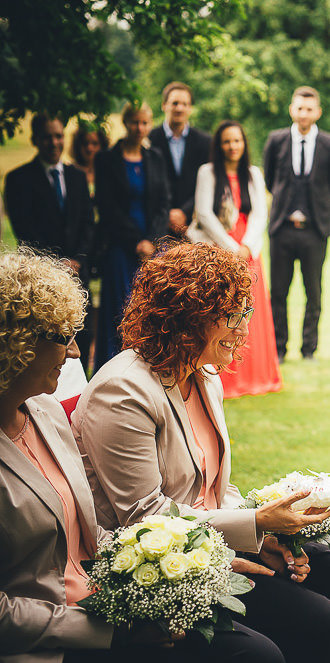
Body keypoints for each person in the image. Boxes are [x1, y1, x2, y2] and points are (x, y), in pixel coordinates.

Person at [73, 243, 330, 663]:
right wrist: (251, 526)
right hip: (164, 561)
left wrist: (261, 537)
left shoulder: (203, 373)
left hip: (218, 536)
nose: (243, 330)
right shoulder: (123, 391)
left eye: (245, 314)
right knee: (319, 622)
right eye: (231, 317)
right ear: (185, 321)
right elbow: (144, 517)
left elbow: (216, 485)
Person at [0, 250, 284, 663]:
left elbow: (92, 531)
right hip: (56, 640)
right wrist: (110, 632)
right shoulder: (122, 390)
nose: (78, 353)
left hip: (117, 596)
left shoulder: (43, 411)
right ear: (15, 344)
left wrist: (200, 564)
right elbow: (137, 514)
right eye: (64, 337)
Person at [190, 120, 282, 398]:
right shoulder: (207, 173)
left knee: (252, 313)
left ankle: (257, 376)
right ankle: (224, 378)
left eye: (237, 141)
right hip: (219, 249)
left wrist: (247, 247)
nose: (233, 147)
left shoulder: (253, 174)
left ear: (245, 144)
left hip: (248, 251)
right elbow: (204, 214)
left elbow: (260, 214)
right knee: (222, 311)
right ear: (219, 145)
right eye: (227, 141)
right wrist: (231, 248)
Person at [5, 113, 97, 372]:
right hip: (43, 277)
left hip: (78, 272)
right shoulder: (18, 179)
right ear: (36, 139)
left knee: (83, 333)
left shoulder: (77, 177)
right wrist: (57, 264)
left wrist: (77, 259)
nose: (54, 142)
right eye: (48, 137)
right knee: (49, 339)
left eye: (58, 136)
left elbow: (88, 224)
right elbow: (25, 230)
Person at [263, 86, 330, 362]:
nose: (304, 113)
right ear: (291, 109)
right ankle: (279, 349)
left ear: (317, 112)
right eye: (299, 108)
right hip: (281, 229)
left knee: (313, 293)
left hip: (315, 230)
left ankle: (309, 349)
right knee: (279, 293)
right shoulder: (276, 140)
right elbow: (270, 180)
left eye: (309, 108)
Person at [93, 101, 170, 370]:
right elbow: (107, 207)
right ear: (125, 123)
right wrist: (135, 242)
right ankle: (111, 371)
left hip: (152, 249)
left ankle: (147, 371)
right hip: (120, 248)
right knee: (120, 310)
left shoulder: (156, 158)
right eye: (135, 122)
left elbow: (163, 204)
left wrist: (151, 241)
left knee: (152, 311)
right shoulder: (106, 160)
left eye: (145, 123)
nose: (140, 128)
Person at [149, 81, 212, 240]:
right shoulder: (149, 140)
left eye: (185, 104)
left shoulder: (205, 142)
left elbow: (208, 184)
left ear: (190, 108)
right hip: (157, 226)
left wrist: (185, 212)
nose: (179, 108)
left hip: (194, 225)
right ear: (164, 105)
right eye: (175, 103)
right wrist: (168, 214)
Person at [69, 122, 109, 193]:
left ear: (102, 146)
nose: (89, 148)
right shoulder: (70, 171)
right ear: (78, 145)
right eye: (85, 143)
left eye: (95, 144)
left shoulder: (107, 172)